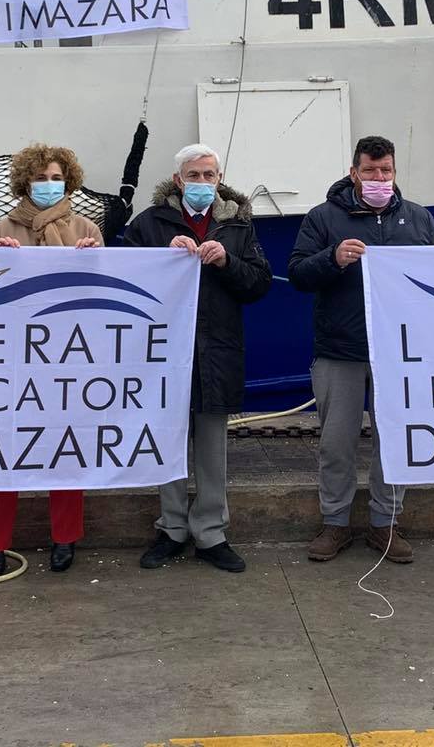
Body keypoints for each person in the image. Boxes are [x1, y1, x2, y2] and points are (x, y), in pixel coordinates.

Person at [287, 135, 434, 564]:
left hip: (399, 352)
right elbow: (297, 273)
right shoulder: (323, 218)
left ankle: (385, 523)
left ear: (394, 172)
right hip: (340, 349)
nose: (378, 178)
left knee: (395, 441)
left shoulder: (419, 219)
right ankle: (334, 523)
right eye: (370, 171)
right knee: (337, 443)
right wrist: (332, 259)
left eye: (385, 171)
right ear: (354, 173)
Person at [126, 144, 272, 573]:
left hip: (216, 350)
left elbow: (259, 284)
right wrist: (161, 258)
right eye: (194, 175)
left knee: (212, 446)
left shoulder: (238, 227)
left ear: (219, 177)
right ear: (178, 180)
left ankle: (211, 532)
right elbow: (125, 274)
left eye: (209, 176)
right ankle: (171, 527)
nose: (203, 183)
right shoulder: (150, 224)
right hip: (164, 355)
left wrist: (227, 262)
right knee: (168, 443)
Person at [0, 143, 101, 576]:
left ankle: (65, 538)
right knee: (4, 449)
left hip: (67, 355)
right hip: (14, 357)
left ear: (68, 180)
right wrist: (1, 259)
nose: (49, 185)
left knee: (65, 446)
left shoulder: (87, 226)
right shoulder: (1, 229)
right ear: (25, 182)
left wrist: (94, 260)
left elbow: (100, 295)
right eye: (41, 178)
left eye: (56, 177)